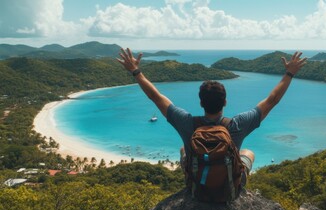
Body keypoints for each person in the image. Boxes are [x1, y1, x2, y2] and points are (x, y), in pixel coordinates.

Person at [117, 48, 307, 183]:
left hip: (197, 188)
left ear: (201, 103)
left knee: (184, 149)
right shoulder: (237, 125)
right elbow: (272, 100)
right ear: (225, 102)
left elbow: (156, 97)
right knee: (248, 153)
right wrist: (289, 73)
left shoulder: (187, 123)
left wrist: (136, 71)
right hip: (229, 188)